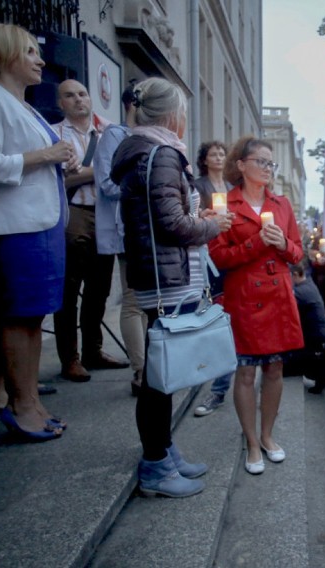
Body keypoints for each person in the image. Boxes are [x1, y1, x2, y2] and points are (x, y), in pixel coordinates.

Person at [111, 77, 231, 497]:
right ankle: (156, 465)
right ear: (172, 115)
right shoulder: (160, 153)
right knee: (159, 378)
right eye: (183, 111)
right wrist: (213, 226)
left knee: (161, 376)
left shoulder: (147, 150)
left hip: (160, 274)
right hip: (165, 280)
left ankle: (163, 449)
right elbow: (173, 223)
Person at [0, 22, 76, 440]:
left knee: (33, 317)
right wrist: (46, 154)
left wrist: (57, 161)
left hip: (41, 223)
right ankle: (19, 405)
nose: (40, 59)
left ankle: (31, 400)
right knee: (18, 315)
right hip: (16, 226)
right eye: (29, 52)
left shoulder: (22, 105)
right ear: (5, 55)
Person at [207, 135, 304, 475]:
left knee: (275, 369)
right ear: (241, 165)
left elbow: (297, 253)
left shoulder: (282, 204)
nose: (267, 168)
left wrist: (283, 245)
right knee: (246, 371)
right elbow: (218, 256)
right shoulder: (225, 204)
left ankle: (267, 435)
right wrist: (256, 242)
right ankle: (250, 441)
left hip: (277, 295)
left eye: (270, 163)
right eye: (261, 161)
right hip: (245, 297)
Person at [52, 78, 129, 382]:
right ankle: (69, 358)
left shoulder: (111, 131)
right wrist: (97, 172)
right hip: (74, 213)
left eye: (82, 94)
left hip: (106, 214)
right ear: (61, 103)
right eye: (70, 96)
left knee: (99, 289)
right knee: (69, 289)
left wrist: (82, 173)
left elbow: (119, 173)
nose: (78, 100)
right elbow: (57, 180)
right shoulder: (53, 133)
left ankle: (93, 351)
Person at [93, 81, 147, 396]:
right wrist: (147, 184)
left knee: (145, 301)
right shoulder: (115, 135)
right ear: (134, 104)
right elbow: (108, 184)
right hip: (127, 228)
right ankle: (140, 371)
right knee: (132, 300)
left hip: (147, 229)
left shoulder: (149, 137)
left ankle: (149, 365)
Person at [192, 140, 235, 417]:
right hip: (208, 258)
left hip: (232, 256)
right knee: (214, 316)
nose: (219, 157)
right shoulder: (198, 186)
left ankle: (224, 383)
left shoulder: (234, 187)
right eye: (213, 153)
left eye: (222, 152)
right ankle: (215, 380)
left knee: (230, 318)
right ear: (204, 160)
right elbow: (192, 216)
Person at [289, 260, 325, 394]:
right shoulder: (308, 284)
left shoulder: (300, 291)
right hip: (316, 333)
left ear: (295, 275)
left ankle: (321, 379)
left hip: (314, 337)